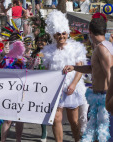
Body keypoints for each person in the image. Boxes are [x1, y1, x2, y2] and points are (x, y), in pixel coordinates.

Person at [64, 14, 113, 142]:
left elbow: (110, 74)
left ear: (90, 32)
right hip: (98, 98)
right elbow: (93, 69)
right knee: (96, 136)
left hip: (104, 99)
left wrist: (109, 102)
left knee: (103, 136)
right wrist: (74, 67)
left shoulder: (103, 49)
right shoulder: (100, 47)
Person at [41, 10, 87, 142]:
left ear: (67, 33)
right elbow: (46, 71)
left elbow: (80, 69)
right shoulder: (48, 51)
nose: (61, 36)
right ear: (54, 36)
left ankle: (77, 140)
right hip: (55, 90)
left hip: (71, 88)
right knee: (56, 119)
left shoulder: (76, 48)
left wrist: (73, 84)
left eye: (63, 34)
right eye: (58, 34)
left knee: (73, 121)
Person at [0, 33, 25, 142]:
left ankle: (18, 140)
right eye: (12, 42)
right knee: (8, 119)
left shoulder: (23, 55)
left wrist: (33, 64)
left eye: (17, 42)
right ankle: (3, 140)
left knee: (20, 118)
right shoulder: (4, 52)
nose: (14, 45)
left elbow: (27, 71)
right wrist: (2, 54)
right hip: (7, 89)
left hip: (21, 88)